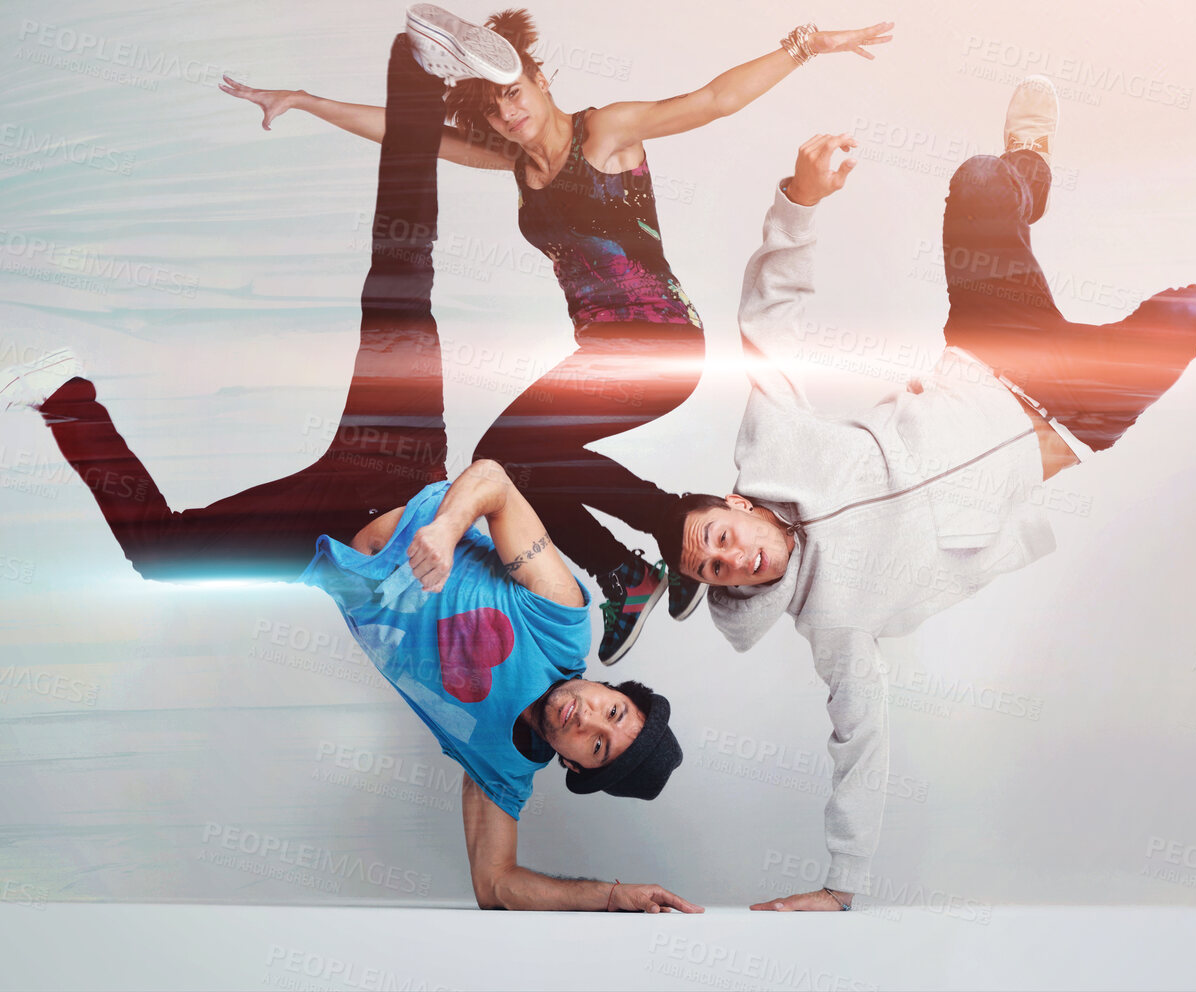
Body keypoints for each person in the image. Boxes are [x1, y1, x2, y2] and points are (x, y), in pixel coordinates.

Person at [4, 33, 697, 912]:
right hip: (398, 466)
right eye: (612, 712)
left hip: (321, 544)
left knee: (159, 556)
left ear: (574, 769)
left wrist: (613, 897)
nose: (586, 721)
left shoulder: (501, 767)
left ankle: (64, 394)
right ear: (614, 686)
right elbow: (493, 482)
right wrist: (444, 531)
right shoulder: (564, 622)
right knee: (400, 273)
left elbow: (496, 886)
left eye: (595, 746)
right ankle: (418, 63)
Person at [666, 78, 1196, 911]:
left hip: (991, 350)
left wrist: (798, 203)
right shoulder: (834, 623)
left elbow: (766, 326)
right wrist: (841, 886)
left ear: (733, 508)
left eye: (716, 539)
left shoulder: (775, 451)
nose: (731, 561)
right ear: (732, 589)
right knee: (1185, 314)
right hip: (1072, 415)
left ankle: (1032, 163)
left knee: (981, 182)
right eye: (719, 575)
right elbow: (859, 739)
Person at [220, 5, 896, 663]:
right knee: (514, 464)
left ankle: (631, 570)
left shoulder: (603, 133)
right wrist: (308, 100)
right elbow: (407, 132)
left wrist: (809, 45)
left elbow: (713, 98)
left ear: (540, 81)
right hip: (605, 353)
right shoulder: (515, 164)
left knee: (499, 458)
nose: (510, 113)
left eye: (515, 93)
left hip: (660, 344)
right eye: (494, 108)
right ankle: (638, 565)